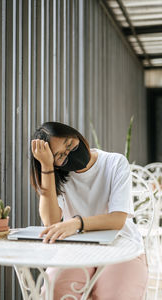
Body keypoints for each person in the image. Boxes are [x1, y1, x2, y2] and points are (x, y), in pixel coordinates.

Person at [30, 121, 148, 300]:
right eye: (60, 155)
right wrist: (47, 167)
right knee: (53, 292)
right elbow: (51, 222)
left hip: (121, 243)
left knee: (115, 295)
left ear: (75, 134)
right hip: (77, 246)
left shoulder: (114, 163)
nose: (69, 153)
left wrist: (77, 223)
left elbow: (117, 220)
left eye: (69, 144)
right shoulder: (59, 177)